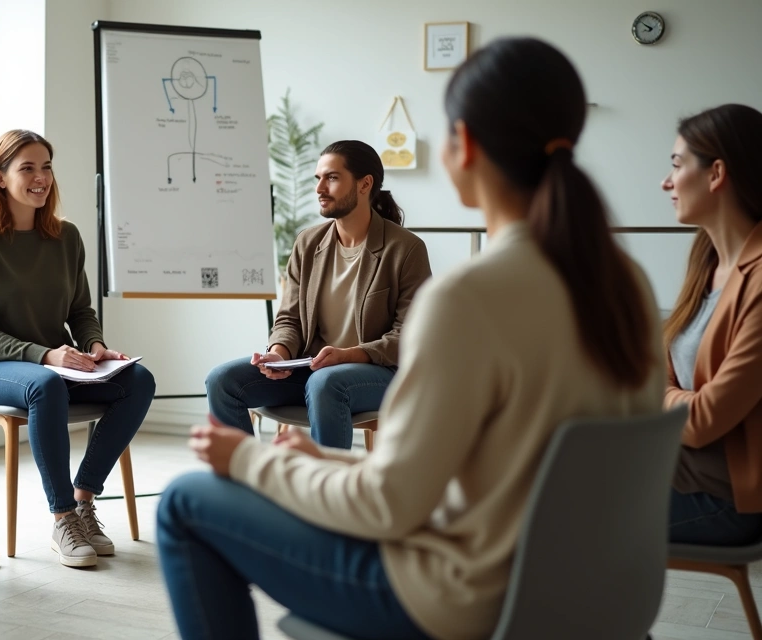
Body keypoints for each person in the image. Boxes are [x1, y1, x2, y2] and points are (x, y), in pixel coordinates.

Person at [158, 37, 665, 640]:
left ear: (463, 144)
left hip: (468, 598)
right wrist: (325, 463)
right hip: (596, 596)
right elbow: (489, 470)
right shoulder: (626, 283)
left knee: (185, 500)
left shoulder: (469, 296)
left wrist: (250, 460)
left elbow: (387, 506)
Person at [0, 129, 156, 568]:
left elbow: (81, 311)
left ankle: (83, 500)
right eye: (27, 168)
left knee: (138, 380)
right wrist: (45, 355)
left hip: (55, 368)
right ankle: (62, 517)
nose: (41, 177)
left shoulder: (66, 236)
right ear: (0, 177)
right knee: (44, 385)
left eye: (46, 167)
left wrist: (96, 346)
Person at [205, 141, 431, 448]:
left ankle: (324, 478)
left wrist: (348, 355)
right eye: (318, 178)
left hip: (379, 373)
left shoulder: (405, 249)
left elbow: (410, 336)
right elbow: (289, 319)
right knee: (222, 381)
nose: (319, 188)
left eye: (332, 178)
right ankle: (250, 472)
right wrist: (279, 355)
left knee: (326, 383)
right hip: (312, 368)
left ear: (365, 184)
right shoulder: (308, 243)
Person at [662, 103, 762, 546]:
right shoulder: (706, 261)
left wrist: (646, 396)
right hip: (678, 468)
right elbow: (662, 370)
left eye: (677, 164)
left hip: (727, 499)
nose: (666, 182)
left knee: (550, 505)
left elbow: (704, 420)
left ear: (716, 173)